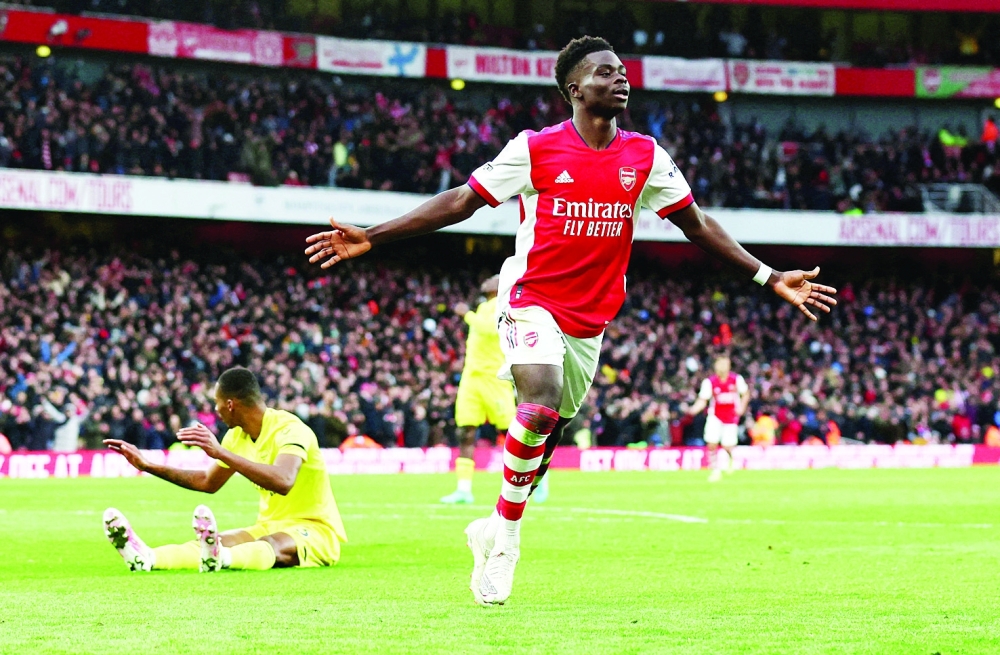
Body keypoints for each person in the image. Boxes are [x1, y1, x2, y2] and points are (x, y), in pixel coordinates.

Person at [304, 36, 836, 606]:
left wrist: (767, 275)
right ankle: (506, 541)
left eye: (623, 71)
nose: (621, 78)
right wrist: (375, 236)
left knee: (547, 431)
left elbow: (697, 225)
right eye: (605, 72)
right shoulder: (535, 149)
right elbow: (463, 200)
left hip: (591, 319)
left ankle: (490, 526)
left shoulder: (646, 156)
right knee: (538, 399)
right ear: (574, 90)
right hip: (530, 297)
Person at [102, 367, 347, 572]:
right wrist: (148, 466)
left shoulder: (291, 429)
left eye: (217, 404)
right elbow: (207, 482)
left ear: (230, 404)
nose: (215, 412)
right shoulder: (236, 437)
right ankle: (147, 558)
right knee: (217, 541)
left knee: (271, 543)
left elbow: (283, 481)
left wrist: (221, 453)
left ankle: (221, 559)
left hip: (315, 530)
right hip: (269, 524)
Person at [441, 274, 519, 505]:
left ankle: (536, 477)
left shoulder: (505, 305)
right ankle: (464, 490)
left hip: (494, 379)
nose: (487, 280)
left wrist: (466, 314)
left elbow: (489, 329)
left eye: (494, 278)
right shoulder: (483, 306)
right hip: (471, 379)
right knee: (465, 432)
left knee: (512, 434)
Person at [685, 356, 749, 482]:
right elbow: (703, 400)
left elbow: (746, 393)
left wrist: (741, 407)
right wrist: (692, 410)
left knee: (727, 446)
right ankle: (714, 470)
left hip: (731, 417)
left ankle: (730, 459)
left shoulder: (736, 380)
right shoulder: (710, 382)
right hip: (715, 416)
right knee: (712, 443)